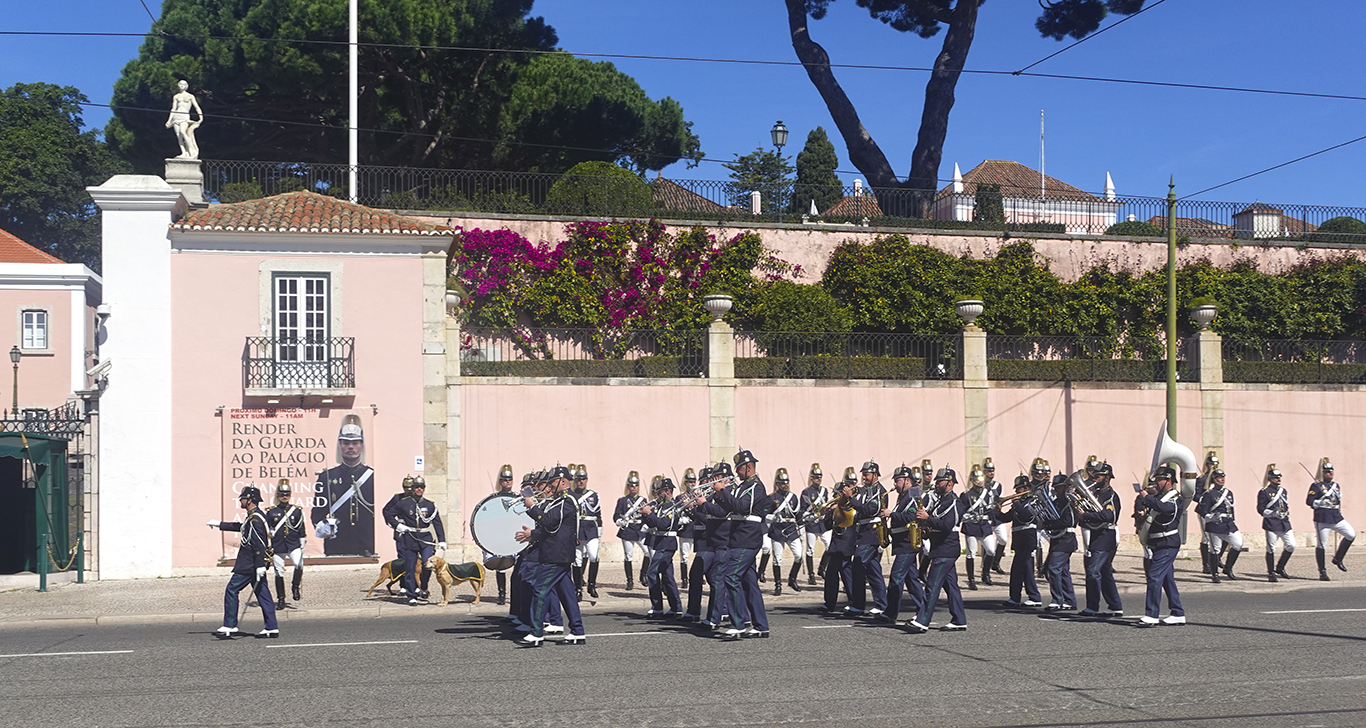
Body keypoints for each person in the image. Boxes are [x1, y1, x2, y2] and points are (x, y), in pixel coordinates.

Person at [514, 465, 585, 646]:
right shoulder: (560, 500)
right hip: (558, 553)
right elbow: (553, 528)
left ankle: (536, 633)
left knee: (540, 590)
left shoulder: (567, 501)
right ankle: (577, 631)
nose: (550, 485)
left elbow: (549, 523)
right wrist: (533, 533)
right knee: (567, 594)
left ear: (563, 481)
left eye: (553, 481)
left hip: (556, 554)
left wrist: (532, 506)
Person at [712, 449, 772, 639]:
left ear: (748, 467)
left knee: (731, 577)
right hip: (739, 537)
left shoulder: (756, 487)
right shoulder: (743, 486)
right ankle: (761, 626)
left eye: (739, 468)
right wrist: (715, 496)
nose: (736, 473)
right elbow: (729, 509)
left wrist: (722, 490)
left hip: (747, 538)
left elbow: (741, 507)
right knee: (749, 583)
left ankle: (738, 624)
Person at [207, 486, 279, 638]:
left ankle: (230, 624)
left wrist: (259, 566)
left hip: (249, 564)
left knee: (232, 590)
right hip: (253, 563)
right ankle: (271, 627)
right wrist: (220, 524)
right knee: (263, 593)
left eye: (243, 499)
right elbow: (242, 527)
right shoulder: (254, 516)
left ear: (250, 500)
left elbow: (259, 543)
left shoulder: (255, 519)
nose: (240, 501)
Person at [907, 467, 967, 633]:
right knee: (951, 586)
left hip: (946, 549)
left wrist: (928, 518)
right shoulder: (941, 501)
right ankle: (959, 619)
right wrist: (926, 529)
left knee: (932, 586)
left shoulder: (954, 502)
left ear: (950, 483)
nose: (937, 484)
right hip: (940, 547)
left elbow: (947, 525)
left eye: (940, 481)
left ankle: (922, 621)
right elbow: (937, 523)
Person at [311, 415, 376, 557]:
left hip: (366, 544)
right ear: (340, 445)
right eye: (346, 443)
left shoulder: (372, 476)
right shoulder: (326, 477)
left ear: (362, 445)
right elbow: (317, 513)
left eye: (355, 443)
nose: (350, 447)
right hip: (337, 544)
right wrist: (323, 527)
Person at [383, 475, 446, 605]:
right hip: (410, 538)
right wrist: (397, 525)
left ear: (424, 489)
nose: (419, 489)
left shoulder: (429, 505)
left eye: (421, 487)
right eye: (416, 487)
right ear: (413, 488)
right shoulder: (404, 503)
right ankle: (411, 595)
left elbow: (437, 523)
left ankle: (423, 587)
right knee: (410, 568)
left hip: (425, 538)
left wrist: (442, 540)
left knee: (427, 564)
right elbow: (388, 513)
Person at [1138, 465, 1187, 626]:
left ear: (1169, 481)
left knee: (1154, 576)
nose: (1157, 482)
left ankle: (1152, 614)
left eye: (1160, 479)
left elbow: (1166, 509)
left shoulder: (1174, 498)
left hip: (1167, 543)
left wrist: (1148, 498)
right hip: (1157, 542)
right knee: (1167, 579)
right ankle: (1177, 612)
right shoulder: (1158, 497)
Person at [881, 464, 925, 625]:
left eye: (897, 480)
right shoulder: (903, 496)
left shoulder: (913, 495)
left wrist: (891, 514)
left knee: (896, 577)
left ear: (907, 480)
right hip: (901, 543)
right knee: (911, 579)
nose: (894, 484)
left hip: (907, 543)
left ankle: (890, 613)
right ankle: (923, 610)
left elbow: (911, 517)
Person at [1077, 463, 1123, 617]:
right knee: (1105, 573)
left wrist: (1086, 515)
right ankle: (1115, 606)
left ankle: (1092, 606)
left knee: (1092, 571)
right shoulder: (1095, 494)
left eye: (1098, 476)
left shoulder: (1111, 496)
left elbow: (1109, 516)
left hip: (1105, 536)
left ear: (1107, 478)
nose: (1095, 479)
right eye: (1094, 476)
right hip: (1097, 535)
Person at [846, 460, 888, 616]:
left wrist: (851, 499)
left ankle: (858, 604)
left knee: (857, 565)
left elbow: (870, 510)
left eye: (867, 474)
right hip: (863, 532)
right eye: (863, 474)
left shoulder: (879, 491)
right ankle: (882, 604)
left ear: (875, 475)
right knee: (873, 570)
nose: (863, 477)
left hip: (872, 533)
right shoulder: (864, 490)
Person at [996, 475, 1043, 608]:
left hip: (1027, 539)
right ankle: (1033, 596)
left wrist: (1016, 503)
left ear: (1026, 488)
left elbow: (1026, 515)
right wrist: (997, 512)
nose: (1016, 491)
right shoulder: (1019, 503)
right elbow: (1007, 518)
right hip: (1019, 540)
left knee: (1017, 570)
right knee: (1026, 570)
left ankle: (1016, 597)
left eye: (1019, 489)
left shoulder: (1033, 501)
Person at [641, 478, 684, 617]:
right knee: (668, 577)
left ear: (667, 491)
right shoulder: (660, 506)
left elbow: (663, 524)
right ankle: (676, 608)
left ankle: (657, 606)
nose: (657, 495)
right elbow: (653, 524)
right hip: (660, 542)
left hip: (667, 543)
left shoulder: (673, 506)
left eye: (659, 492)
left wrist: (650, 514)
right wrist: (645, 515)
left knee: (651, 573)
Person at [1308, 458, 1355, 580]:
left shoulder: (1336, 486)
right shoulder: (1316, 486)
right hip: (1323, 518)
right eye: (1327, 471)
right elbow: (1309, 501)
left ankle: (1338, 558)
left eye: (1331, 470)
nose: (1330, 473)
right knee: (1322, 545)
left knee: (1351, 534)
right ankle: (1322, 571)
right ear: (1323, 473)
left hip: (1336, 517)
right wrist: (1320, 502)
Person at [819, 470, 859, 614]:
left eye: (836, 494)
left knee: (846, 573)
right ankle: (830, 603)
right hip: (836, 544)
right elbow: (827, 526)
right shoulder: (835, 509)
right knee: (832, 574)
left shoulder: (850, 507)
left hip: (847, 543)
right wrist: (828, 514)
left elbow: (849, 520)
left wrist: (839, 509)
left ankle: (853, 601)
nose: (834, 497)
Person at [264, 479, 307, 608]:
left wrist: (302, 542)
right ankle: (281, 599)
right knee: (278, 573)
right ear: (278, 496)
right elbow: (267, 529)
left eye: (287, 494)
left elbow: (301, 528)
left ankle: (295, 587)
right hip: (278, 545)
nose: (284, 497)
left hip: (293, 544)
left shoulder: (296, 511)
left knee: (299, 565)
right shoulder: (271, 511)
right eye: (282, 494)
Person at [1040, 464, 1078, 611]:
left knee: (1053, 569)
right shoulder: (1056, 502)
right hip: (1058, 539)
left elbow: (1068, 521)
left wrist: (1048, 523)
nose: (1056, 490)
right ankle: (1070, 600)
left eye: (1059, 487)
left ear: (1066, 487)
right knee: (1064, 572)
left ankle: (1057, 600)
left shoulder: (1070, 501)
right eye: (1055, 487)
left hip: (1066, 539)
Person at [1195, 468, 1243, 583]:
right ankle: (1214, 573)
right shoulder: (1208, 494)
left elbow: (1231, 509)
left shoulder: (1228, 493)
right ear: (1214, 479)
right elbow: (1204, 512)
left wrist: (1233, 520)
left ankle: (1228, 568)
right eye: (1219, 477)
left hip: (1228, 524)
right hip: (1215, 525)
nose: (1222, 479)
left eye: (1223, 477)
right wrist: (1212, 517)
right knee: (1215, 549)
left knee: (1238, 544)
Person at [762, 468, 803, 595]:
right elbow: (764, 515)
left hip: (791, 528)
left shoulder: (793, 497)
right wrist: (773, 518)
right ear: (777, 484)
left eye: (787, 482)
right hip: (777, 529)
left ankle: (792, 578)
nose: (785, 485)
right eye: (782, 483)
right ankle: (778, 585)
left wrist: (802, 530)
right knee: (777, 559)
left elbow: (798, 514)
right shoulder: (772, 498)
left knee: (799, 555)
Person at [959, 464, 995, 590]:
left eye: (981, 479)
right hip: (971, 526)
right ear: (972, 481)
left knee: (991, 551)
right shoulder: (966, 495)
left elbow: (990, 510)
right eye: (977, 479)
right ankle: (971, 580)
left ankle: (986, 573)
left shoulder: (987, 494)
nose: (979, 481)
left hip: (984, 526)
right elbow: (961, 512)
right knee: (971, 554)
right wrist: (969, 516)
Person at [1257, 464, 1294, 581]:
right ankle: (1271, 572)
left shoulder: (1283, 491)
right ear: (1270, 478)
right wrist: (1272, 513)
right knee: (1271, 548)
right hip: (1272, 523)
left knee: (1291, 545)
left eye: (1279, 477)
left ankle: (1280, 567)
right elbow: (1260, 509)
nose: (1278, 479)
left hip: (1284, 522)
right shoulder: (1264, 492)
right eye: (1275, 477)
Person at [570, 464, 602, 600]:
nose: (581, 481)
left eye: (583, 479)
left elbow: (598, 515)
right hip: (577, 530)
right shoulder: (571, 495)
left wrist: (599, 531)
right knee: (577, 560)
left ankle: (591, 585)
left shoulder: (593, 495)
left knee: (594, 556)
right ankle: (578, 588)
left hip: (590, 530)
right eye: (579, 479)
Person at [799, 463, 831, 586]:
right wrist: (809, 516)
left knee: (829, 546)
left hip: (823, 524)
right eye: (816, 477)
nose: (819, 479)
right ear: (812, 478)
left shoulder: (824, 491)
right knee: (810, 550)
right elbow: (802, 510)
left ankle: (822, 568)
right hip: (812, 524)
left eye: (820, 476)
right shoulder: (806, 492)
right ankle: (811, 575)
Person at [614, 472, 646, 590]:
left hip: (640, 530)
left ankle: (644, 575)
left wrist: (646, 525)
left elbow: (646, 515)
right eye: (632, 485)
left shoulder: (642, 500)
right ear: (628, 486)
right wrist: (620, 521)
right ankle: (630, 580)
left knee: (647, 552)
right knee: (628, 556)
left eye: (636, 485)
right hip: (628, 530)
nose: (634, 487)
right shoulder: (623, 501)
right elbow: (616, 515)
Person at [1193, 452, 1223, 578]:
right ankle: (1206, 564)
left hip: (1217, 512)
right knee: (1206, 537)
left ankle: (1217, 558)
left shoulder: (1218, 479)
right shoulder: (1202, 479)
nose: (1213, 466)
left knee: (1222, 535)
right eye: (1211, 464)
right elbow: (1195, 495)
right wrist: (1205, 499)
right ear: (1207, 464)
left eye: (1216, 464)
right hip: (1205, 511)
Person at [491, 465, 516, 605]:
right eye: (505, 480)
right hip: (501, 534)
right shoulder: (495, 498)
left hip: (515, 534)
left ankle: (516, 593)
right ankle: (501, 593)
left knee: (518, 566)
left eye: (510, 479)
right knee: (500, 565)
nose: (508, 482)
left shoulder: (517, 497)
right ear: (500, 482)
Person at [165, 79, 203, 159]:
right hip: (176, 117)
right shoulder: (176, 96)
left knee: (183, 132)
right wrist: (169, 120)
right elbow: (173, 109)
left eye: (184, 84)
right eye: (180, 84)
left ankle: (191, 151)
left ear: (186, 86)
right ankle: (183, 152)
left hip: (185, 117)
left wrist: (201, 117)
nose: (182, 86)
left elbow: (196, 107)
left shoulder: (190, 96)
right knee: (179, 136)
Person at [984, 458, 1009, 576]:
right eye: (989, 470)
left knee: (1003, 539)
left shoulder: (998, 485)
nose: (991, 472)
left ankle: (996, 563)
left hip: (996, 516)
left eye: (992, 470)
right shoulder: (981, 485)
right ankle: (985, 568)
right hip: (986, 516)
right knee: (987, 544)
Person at [677, 468, 698, 592]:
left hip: (697, 529)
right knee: (684, 556)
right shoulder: (680, 497)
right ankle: (684, 579)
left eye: (693, 481)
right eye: (689, 482)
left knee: (699, 554)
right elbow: (677, 512)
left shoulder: (698, 496)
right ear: (685, 483)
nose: (692, 484)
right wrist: (681, 519)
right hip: (685, 530)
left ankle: (699, 576)